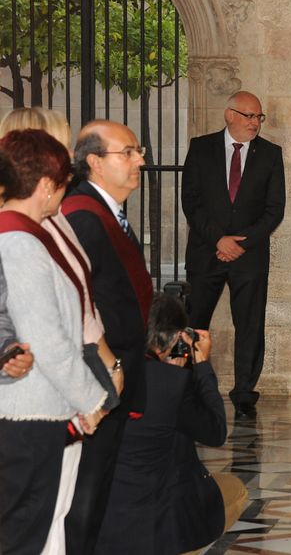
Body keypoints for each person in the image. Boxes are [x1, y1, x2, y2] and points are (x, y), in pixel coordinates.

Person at [0, 107, 125, 554]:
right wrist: (92, 399)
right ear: (46, 186)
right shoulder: (20, 243)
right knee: (25, 535)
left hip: (40, 407)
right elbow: (48, 339)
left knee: (39, 527)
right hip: (28, 411)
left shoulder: (25, 237)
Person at [63, 120, 154, 555]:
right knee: (83, 493)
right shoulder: (82, 216)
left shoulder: (108, 213)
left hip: (118, 372)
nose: (141, 160)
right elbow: (79, 305)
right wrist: (111, 364)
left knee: (98, 489)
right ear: (95, 162)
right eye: (129, 152)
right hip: (98, 378)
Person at [96, 293, 247, 555]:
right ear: (176, 337)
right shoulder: (172, 384)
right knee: (237, 490)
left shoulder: (103, 371)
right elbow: (216, 431)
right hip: (155, 523)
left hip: (99, 519)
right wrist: (202, 367)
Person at [181, 90, 286, 420]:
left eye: (258, 117)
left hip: (249, 255)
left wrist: (241, 242)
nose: (255, 122)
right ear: (229, 115)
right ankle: (190, 386)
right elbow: (191, 202)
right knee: (195, 322)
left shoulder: (270, 154)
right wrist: (219, 240)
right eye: (248, 116)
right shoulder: (201, 148)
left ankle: (244, 393)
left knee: (250, 324)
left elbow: (274, 209)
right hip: (206, 251)